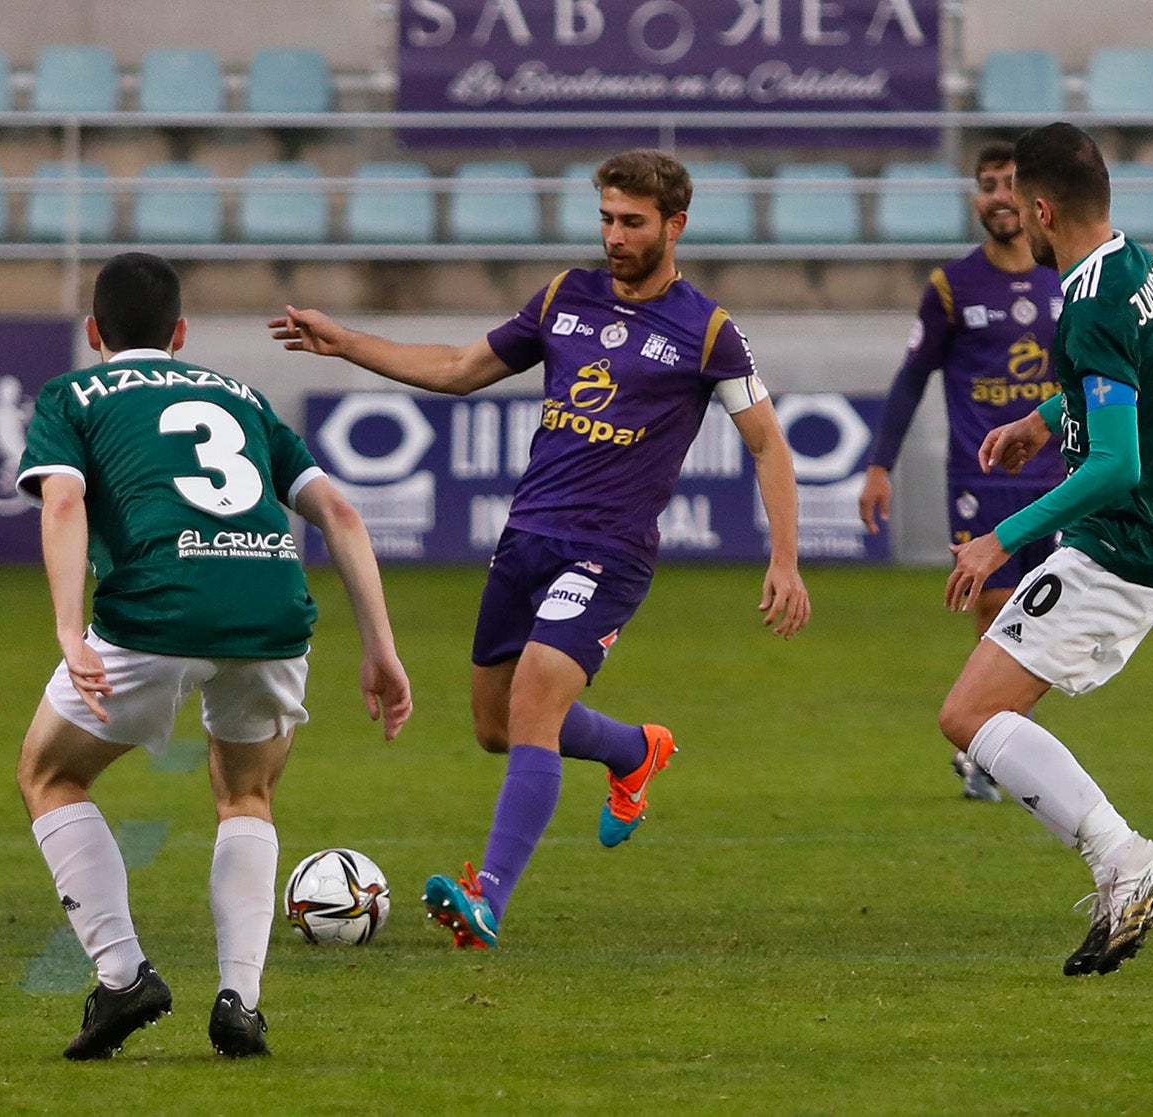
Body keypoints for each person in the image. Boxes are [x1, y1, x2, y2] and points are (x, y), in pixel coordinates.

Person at [270, 148, 811, 949]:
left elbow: (767, 444)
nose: (616, 236)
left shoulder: (709, 332)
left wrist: (785, 557)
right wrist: (346, 342)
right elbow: (460, 368)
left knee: (532, 700)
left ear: (675, 226)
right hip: (526, 538)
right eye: (606, 219)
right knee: (496, 726)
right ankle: (633, 750)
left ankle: (487, 896)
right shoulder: (566, 296)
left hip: (610, 553)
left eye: (632, 222)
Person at [15, 253, 412, 1060]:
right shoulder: (241, 395)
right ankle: (241, 1000)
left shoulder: (74, 393)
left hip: (156, 608)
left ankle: (124, 976)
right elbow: (337, 509)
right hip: (272, 609)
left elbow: (62, 499)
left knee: (49, 774)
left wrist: (66, 630)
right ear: (181, 334)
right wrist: (382, 648)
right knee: (247, 794)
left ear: (94, 333)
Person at [939, 123, 1153, 975]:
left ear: (1043, 208)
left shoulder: (1085, 302)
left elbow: (1117, 461)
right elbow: (1131, 385)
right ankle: (1119, 862)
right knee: (983, 710)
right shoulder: (1134, 263)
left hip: (1123, 540)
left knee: (971, 715)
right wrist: (1041, 418)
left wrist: (999, 539)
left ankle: (1124, 859)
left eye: (1023, 210)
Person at [858, 142, 1066, 802]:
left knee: (1046, 616)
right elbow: (912, 375)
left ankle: (993, 737)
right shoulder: (953, 286)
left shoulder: (1065, 276)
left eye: (1010, 183)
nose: (998, 196)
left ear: (1032, 195)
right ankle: (986, 743)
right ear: (975, 198)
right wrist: (879, 464)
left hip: (1060, 476)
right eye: (987, 185)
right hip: (981, 479)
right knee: (995, 604)